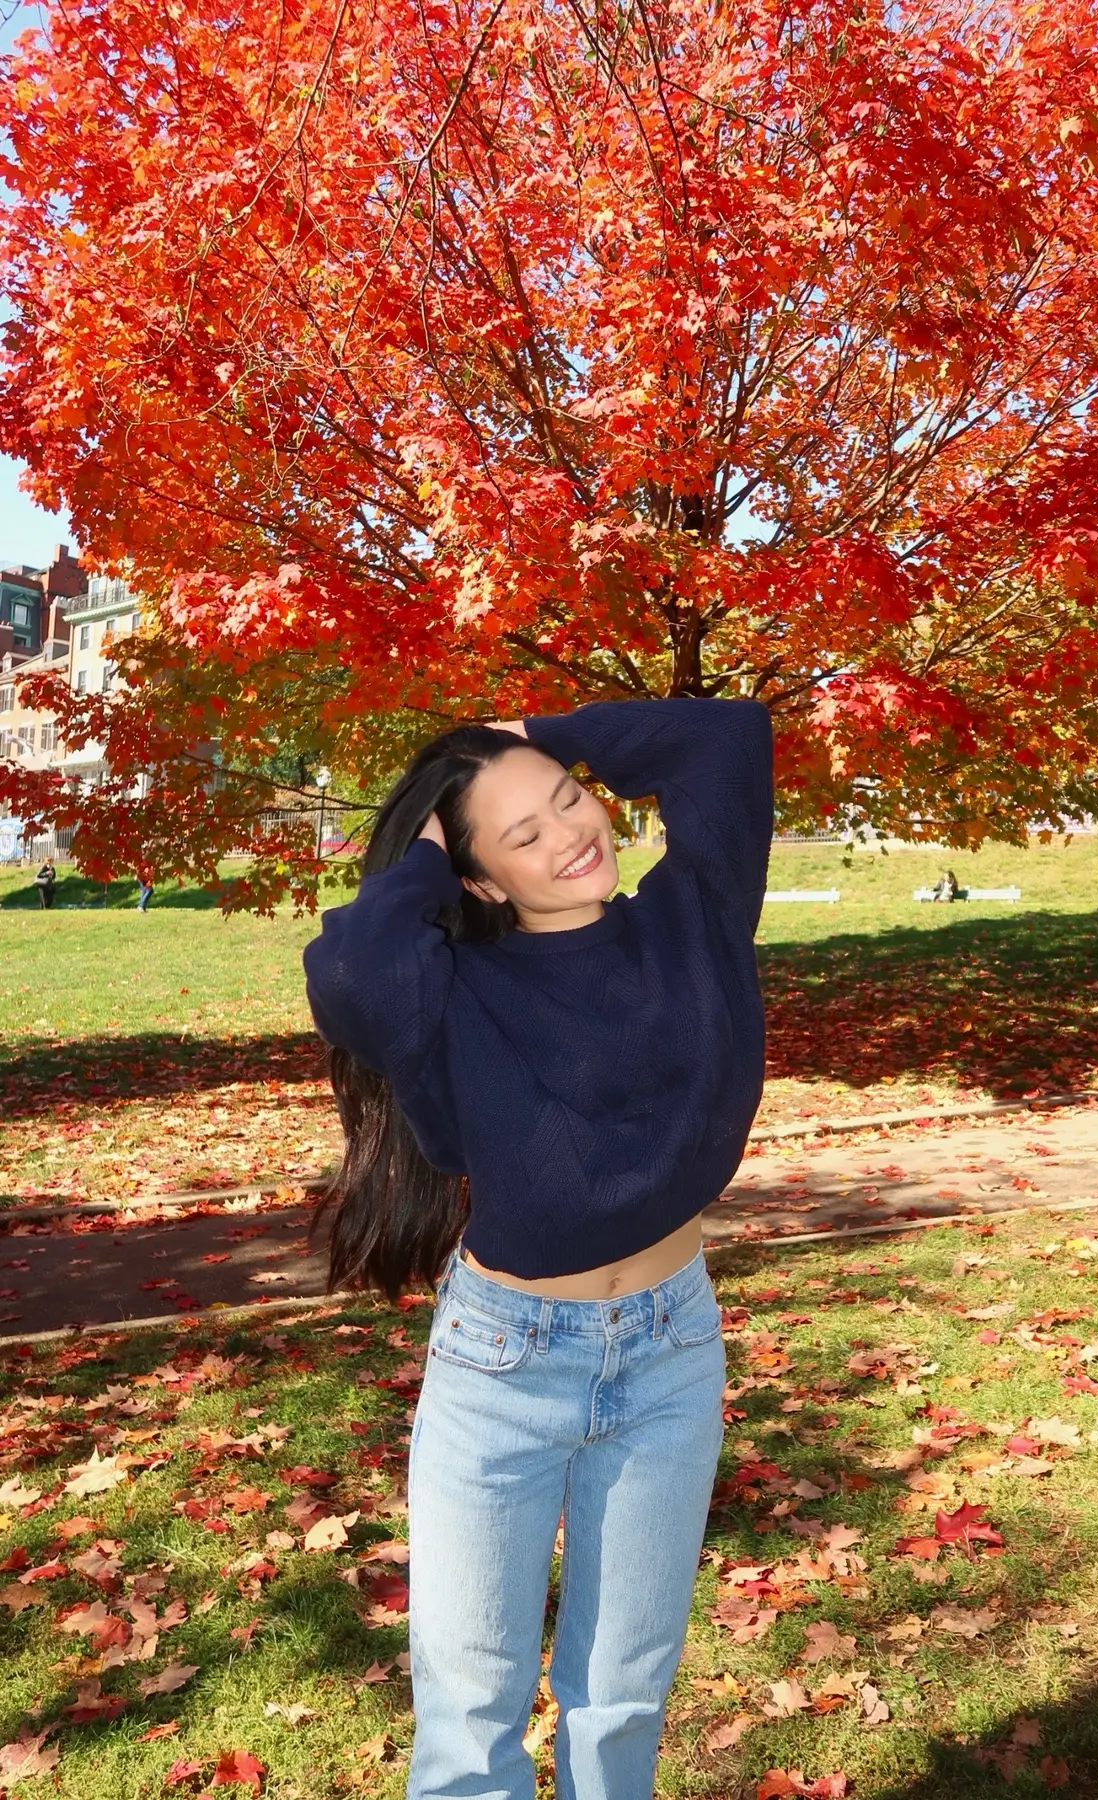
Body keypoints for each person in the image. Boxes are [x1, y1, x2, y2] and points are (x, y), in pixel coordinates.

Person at [303, 698, 773, 1800]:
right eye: (522, 836)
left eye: (568, 796)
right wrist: (425, 844)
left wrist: (519, 727)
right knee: (472, 1718)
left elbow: (724, 739)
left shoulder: (692, 917)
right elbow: (353, 977)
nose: (570, 833)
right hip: (506, 1367)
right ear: (477, 881)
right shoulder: (452, 993)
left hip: (672, 1348)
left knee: (621, 1699)